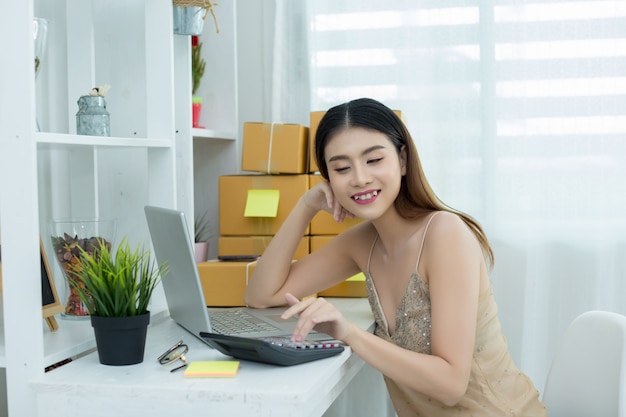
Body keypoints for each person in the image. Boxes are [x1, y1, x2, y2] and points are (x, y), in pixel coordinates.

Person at [244, 98, 547, 416]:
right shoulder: (362, 243)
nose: (359, 178)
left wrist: (348, 331)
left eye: (373, 160)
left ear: (402, 160)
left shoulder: (445, 233)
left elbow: (450, 385)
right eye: (341, 168)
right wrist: (305, 205)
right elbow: (260, 295)